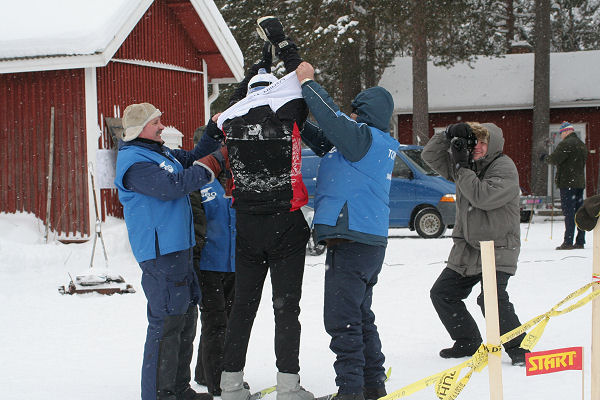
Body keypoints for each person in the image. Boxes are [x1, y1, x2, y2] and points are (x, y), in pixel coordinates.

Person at [212, 17, 313, 400]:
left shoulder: (230, 119)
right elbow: (300, 76)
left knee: (243, 309)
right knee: (286, 308)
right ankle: (288, 387)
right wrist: (282, 44)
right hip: (285, 223)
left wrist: (257, 64)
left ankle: (230, 385)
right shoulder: (288, 112)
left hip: (248, 225)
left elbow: (236, 102)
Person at [294, 61, 398, 400]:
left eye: (355, 112)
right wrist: (297, 120)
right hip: (364, 243)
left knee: (343, 321)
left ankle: (351, 392)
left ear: (364, 114)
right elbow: (325, 137)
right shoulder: (366, 143)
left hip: (353, 243)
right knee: (360, 317)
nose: (350, 116)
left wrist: (308, 83)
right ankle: (371, 386)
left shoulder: (364, 140)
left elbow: (332, 121)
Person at [114, 103, 227, 400]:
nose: (163, 126)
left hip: (181, 249)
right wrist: (216, 162)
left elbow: (190, 160)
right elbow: (173, 186)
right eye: (156, 122)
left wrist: (213, 131)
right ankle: (158, 394)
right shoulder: (135, 162)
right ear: (140, 129)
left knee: (186, 319)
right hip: (161, 253)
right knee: (166, 323)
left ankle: (178, 388)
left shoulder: (159, 153)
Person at [421, 122, 528, 366]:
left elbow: (483, 197)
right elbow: (429, 155)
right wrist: (447, 135)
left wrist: (462, 168)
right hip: (468, 247)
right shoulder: (466, 166)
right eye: (473, 142)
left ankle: (518, 347)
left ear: (493, 145)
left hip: (498, 246)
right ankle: (467, 340)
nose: (476, 147)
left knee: (491, 297)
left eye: (482, 142)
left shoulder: (504, 167)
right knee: (443, 293)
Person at [190, 126, 237, 397]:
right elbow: (196, 223)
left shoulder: (233, 177)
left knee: (228, 322)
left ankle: (204, 372)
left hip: (233, 263)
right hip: (208, 264)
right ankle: (219, 382)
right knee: (216, 323)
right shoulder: (197, 182)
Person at [544, 121, 588, 250]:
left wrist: (545, 158)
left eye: (562, 133)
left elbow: (555, 159)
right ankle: (580, 241)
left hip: (567, 183)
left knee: (569, 213)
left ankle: (568, 242)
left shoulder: (566, 144)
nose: (561, 135)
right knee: (580, 212)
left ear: (567, 131)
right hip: (580, 183)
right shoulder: (581, 145)